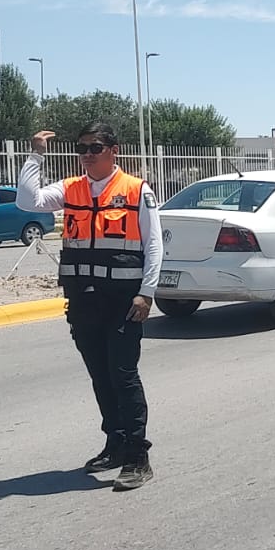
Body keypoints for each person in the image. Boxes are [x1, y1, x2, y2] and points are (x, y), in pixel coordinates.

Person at [18, 125, 164, 489]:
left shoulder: (135, 189)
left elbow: (155, 246)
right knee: (100, 376)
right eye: (81, 148)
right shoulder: (71, 189)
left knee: (123, 375)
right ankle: (114, 444)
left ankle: (137, 456)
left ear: (114, 150)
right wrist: (36, 154)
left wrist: (146, 293)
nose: (86, 154)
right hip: (84, 300)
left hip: (124, 301)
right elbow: (26, 200)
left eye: (94, 147)